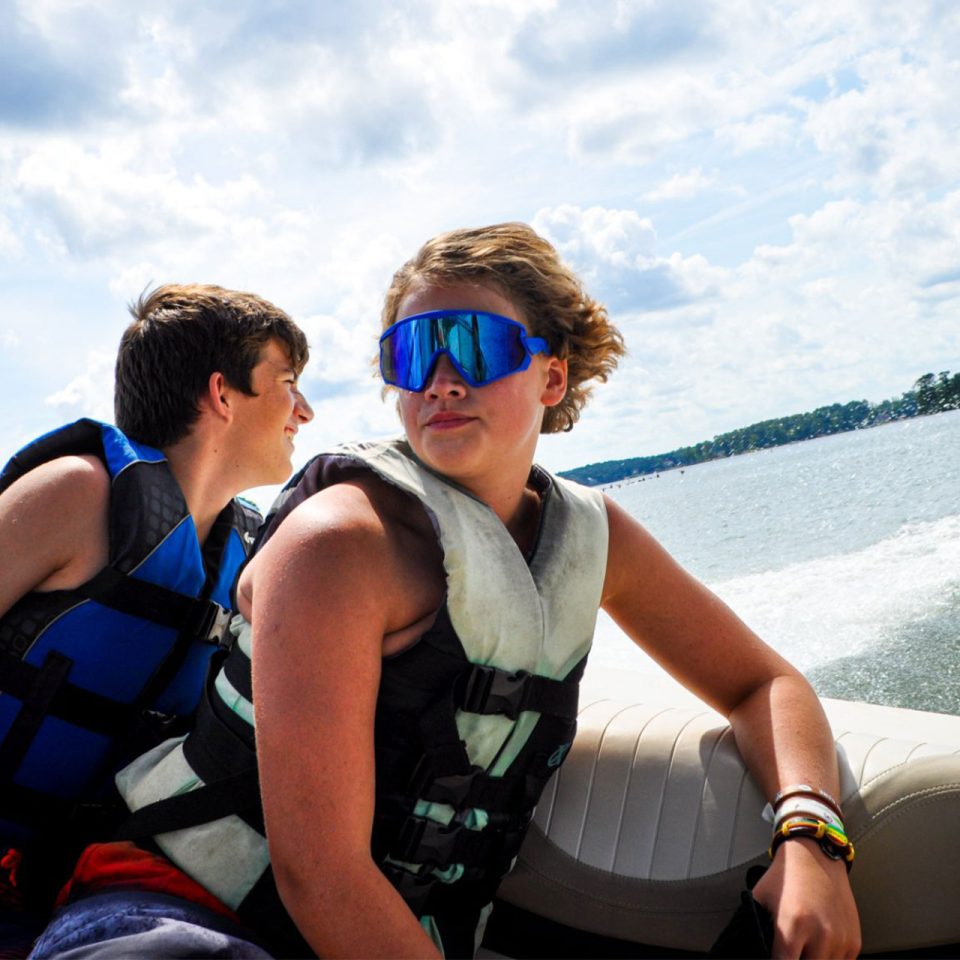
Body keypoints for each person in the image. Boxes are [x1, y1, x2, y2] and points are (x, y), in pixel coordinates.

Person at [31, 225, 859, 959]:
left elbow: (764, 685)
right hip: (170, 914)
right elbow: (320, 879)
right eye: (411, 353)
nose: (441, 379)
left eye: (474, 345)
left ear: (552, 376)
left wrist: (811, 838)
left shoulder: (594, 539)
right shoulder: (339, 545)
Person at [0, 284, 313, 955]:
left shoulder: (249, 558)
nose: (305, 411)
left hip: (82, 881)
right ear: (221, 394)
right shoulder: (81, 494)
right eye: (288, 383)